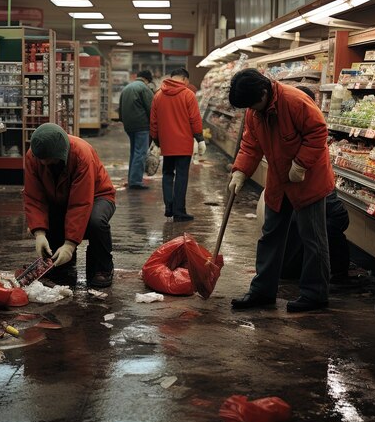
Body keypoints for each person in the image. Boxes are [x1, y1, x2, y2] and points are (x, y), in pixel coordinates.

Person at [227, 68, 335, 313]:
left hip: (308, 178)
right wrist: (241, 170)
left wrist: (300, 163)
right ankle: (262, 292)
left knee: (313, 240)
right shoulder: (255, 111)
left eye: (254, 104)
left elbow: (318, 131)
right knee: (270, 235)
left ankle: (315, 294)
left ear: (264, 92)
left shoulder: (294, 100)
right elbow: (251, 143)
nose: (252, 110)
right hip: (279, 179)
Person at [23, 123, 116, 288]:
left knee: (95, 222)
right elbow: (34, 197)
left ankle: (101, 268)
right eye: (41, 161)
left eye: (48, 161)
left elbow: (80, 203)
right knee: (53, 216)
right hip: (60, 198)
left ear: (59, 154)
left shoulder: (81, 154)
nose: (44, 164)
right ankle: (63, 267)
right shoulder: (34, 156)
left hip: (98, 196)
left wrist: (70, 244)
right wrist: (39, 233)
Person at [279, 85, 350, 282]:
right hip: (314, 199)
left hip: (322, 200)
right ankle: (311, 274)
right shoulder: (300, 126)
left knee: (319, 229)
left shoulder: (311, 133)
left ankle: (331, 275)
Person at [150, 67, 206, 222]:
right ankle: (179, 211)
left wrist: (155, 139)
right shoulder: (188, 94)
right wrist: (200, 138)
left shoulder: (158, 95)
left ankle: (169, 207)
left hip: (166, 144)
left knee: (167, 174)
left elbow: (153, 121)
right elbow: (195, 119)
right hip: (183, 144)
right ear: (184, 79)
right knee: (181, 176)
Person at [118, 70, 154, 189]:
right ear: (147, 80)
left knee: (134, 152)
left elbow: (120, 109)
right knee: (140, 153)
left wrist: (123, 121)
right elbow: (151, 108)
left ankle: (132, 179)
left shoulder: (126, 88)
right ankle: (136, 182)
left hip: (129, 126)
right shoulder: (144, 88)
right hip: (141, 126)